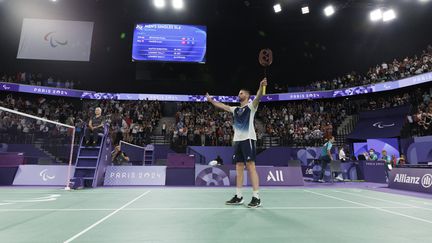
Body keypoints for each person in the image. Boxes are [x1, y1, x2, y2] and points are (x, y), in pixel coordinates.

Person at [206, 78, 267, 208]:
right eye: (239, 93)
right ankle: (239, 196)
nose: (239, 95)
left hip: (248, 139)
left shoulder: (251, 107)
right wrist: (211, 101)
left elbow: (258, 96)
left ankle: (257, 197)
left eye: (241, 93)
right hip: (238, 141)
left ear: (247, 96)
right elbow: (222, 106)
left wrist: (261, 87)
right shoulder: (235, 110)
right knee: (239, 168)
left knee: (251, 167)